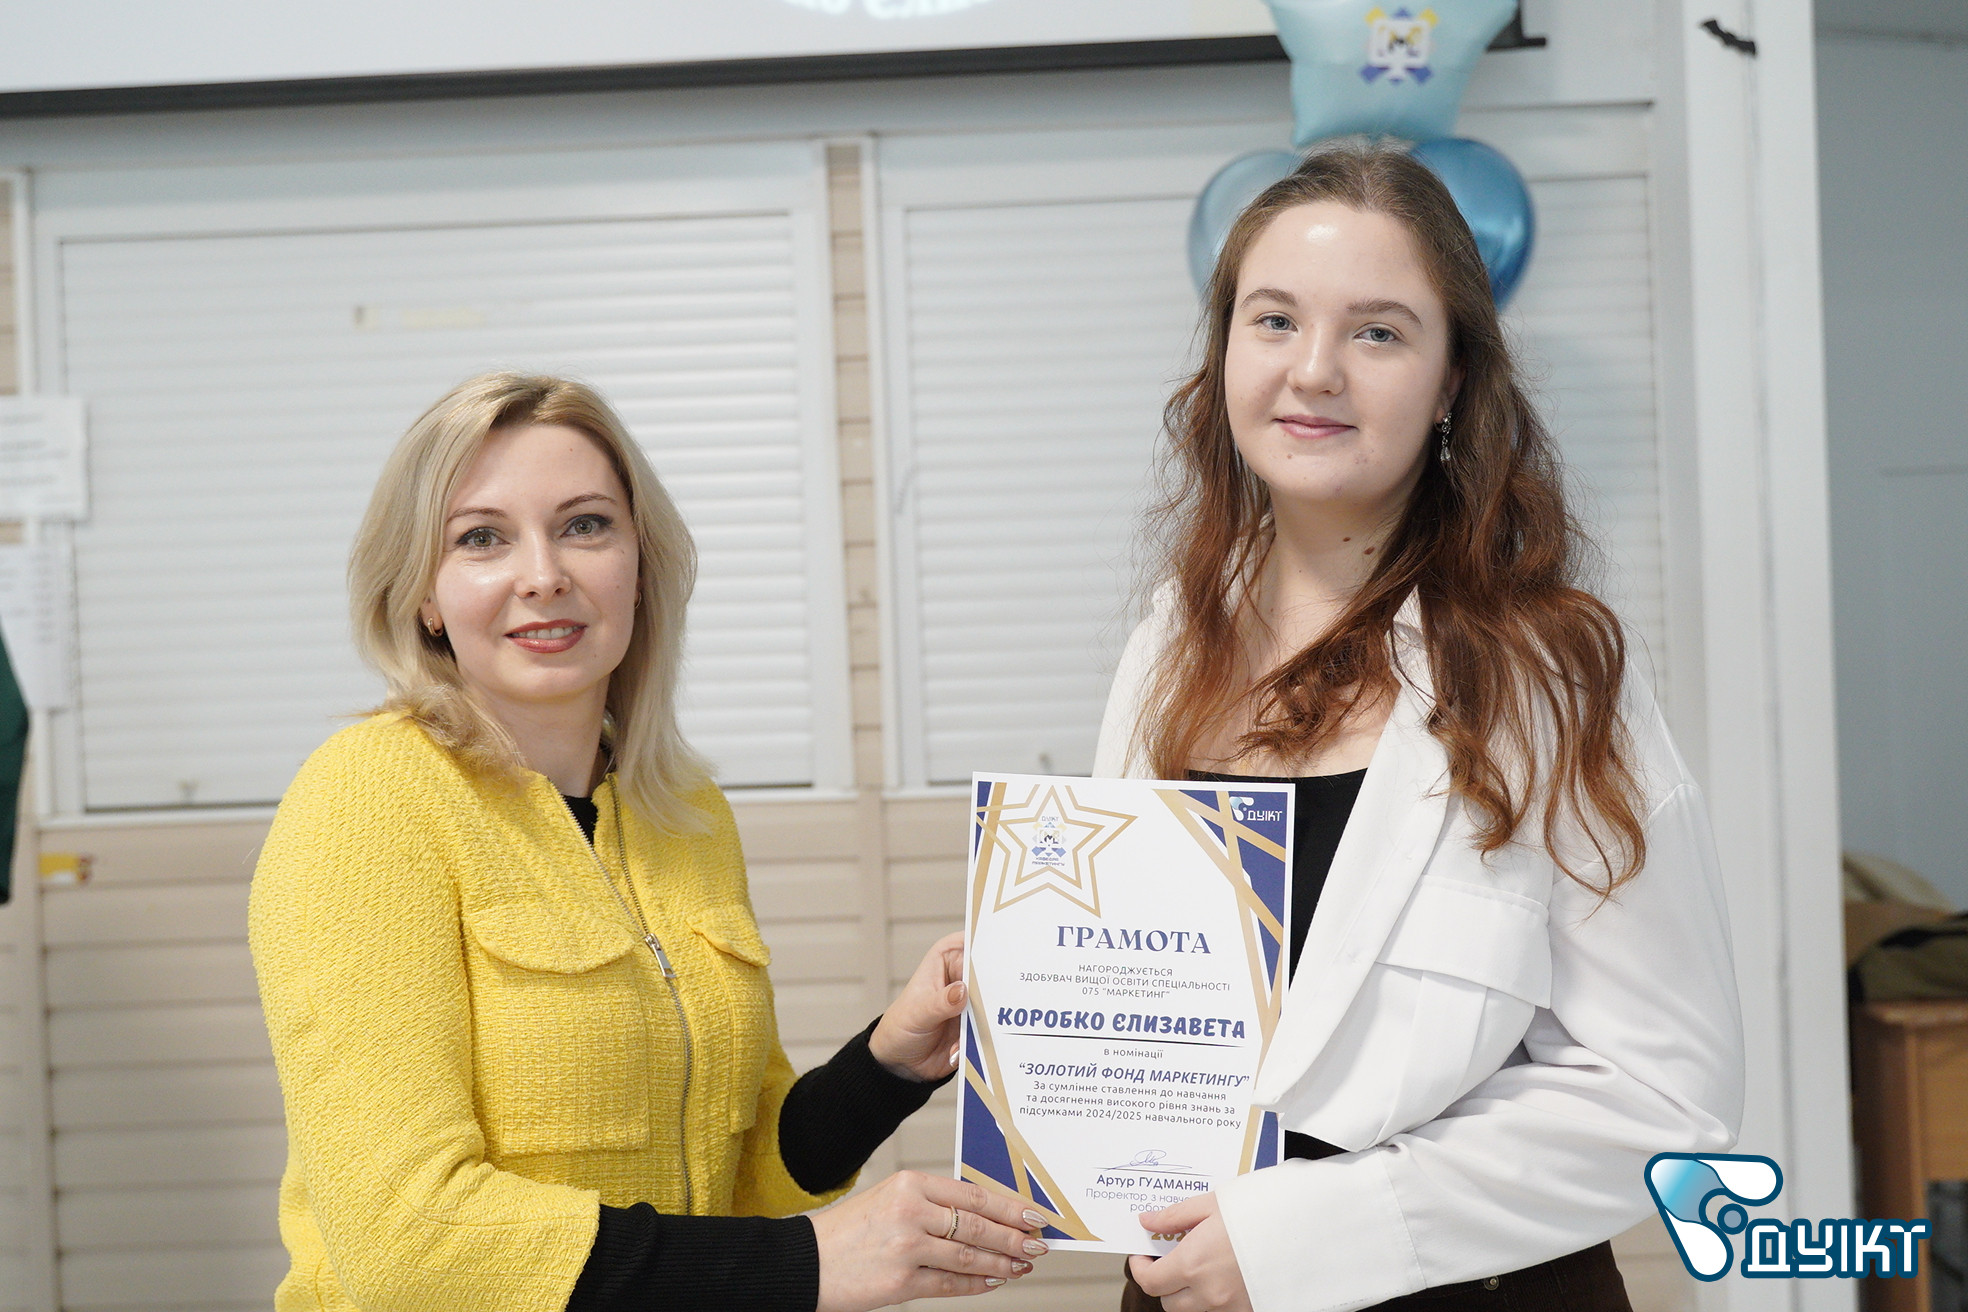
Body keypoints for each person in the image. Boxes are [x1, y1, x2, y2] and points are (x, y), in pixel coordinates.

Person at [1092, 144, 1743, 1312]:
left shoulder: (1549, 677)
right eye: (1274, 319)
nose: (1315, 370)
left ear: (1451, 384)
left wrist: (1306, 1236)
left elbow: (1668, 1094)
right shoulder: (1166, 649)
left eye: (1379, 332)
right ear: (1226, 350)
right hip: (1187, 1283)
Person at [249, 373, 1047, 1312]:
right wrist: (810, 1263)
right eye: (482, 538)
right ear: (425, 594)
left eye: (584, 525)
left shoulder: (686, 812)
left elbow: (742, 1175)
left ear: (639, 561)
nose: (543, 574)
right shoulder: (366, 801)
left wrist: (888, 1063)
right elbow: (407, 1240)